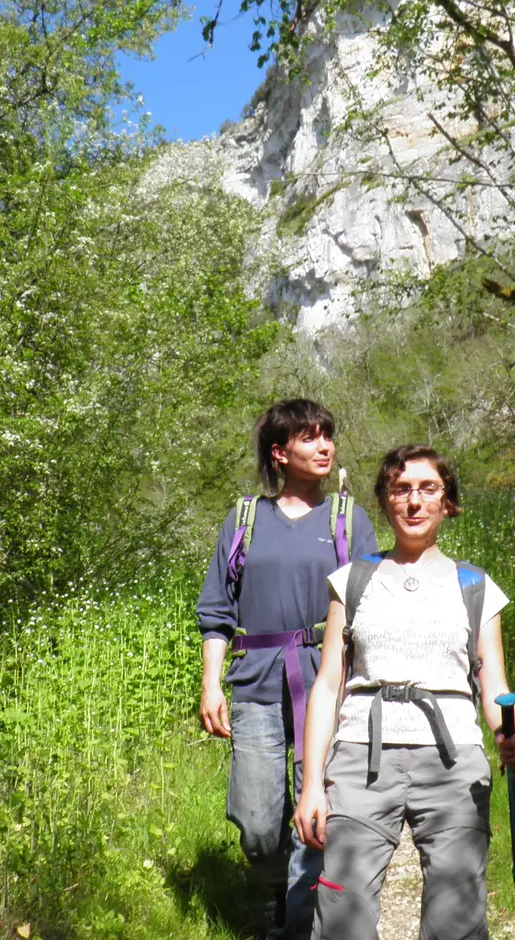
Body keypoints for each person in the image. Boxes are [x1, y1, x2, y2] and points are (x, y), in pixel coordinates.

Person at [293, 445, 515, 940]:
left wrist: (509, 734)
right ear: (385, 501)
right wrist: (312, 783)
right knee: (341, 915)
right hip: (360, 758)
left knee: (456, 919)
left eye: (428, 489)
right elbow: (327, 688)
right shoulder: (351, 582)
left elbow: (494, 686)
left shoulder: (476, 587)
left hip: (453, 763)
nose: (415, 501)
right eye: (402, 490)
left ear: (448, 502)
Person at [197, 399, 377, 940]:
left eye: (328, 436)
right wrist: (211, 684)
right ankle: (279, 887)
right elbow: (216, 611)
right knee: (255, 823)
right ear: (280, 452)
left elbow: (369, 605)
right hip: (254, 684)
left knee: (316, 807)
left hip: (329, 687)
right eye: (309, 437)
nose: (325, 446)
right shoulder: (246, 519)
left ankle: (298, 922)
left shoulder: (349, 520)